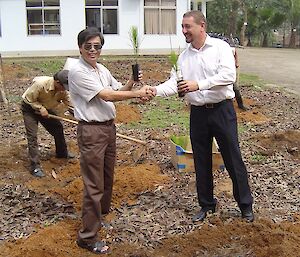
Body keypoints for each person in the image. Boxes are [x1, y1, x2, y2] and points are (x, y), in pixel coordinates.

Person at [151, 11, 254, 222]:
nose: (184, 31)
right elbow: (175, 83)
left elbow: (228, 76)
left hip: (222, 111)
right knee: (201, 160)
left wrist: (198, 84)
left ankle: (245, 205)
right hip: (197, 113)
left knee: (233, 158)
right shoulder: (184, 57)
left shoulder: (220, 48)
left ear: (201, 26)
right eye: (182, 27)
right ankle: (207, 205)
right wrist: (154, 90)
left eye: (187, 26)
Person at [68, 27, 154, 254]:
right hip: (92, 132)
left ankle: (99, 217)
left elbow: (117, 90)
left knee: (106, 177)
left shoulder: (101, 69)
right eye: (88, 46)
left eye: (97, 46)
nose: (93, 50)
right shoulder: (77, 71)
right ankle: (87, 236)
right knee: (94, 185)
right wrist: (137, 94)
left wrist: (132, 83)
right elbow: (105, 95)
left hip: (108, 130)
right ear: (80, 47)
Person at [21, 70, 75, 178]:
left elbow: (69, 102)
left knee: (58, 128)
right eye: (63, 86)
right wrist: (40, 108)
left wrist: (78, 115)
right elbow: (28, 99)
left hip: (45, 107)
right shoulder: (40, 84)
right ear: (57, 82)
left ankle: (62, 153)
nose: (64, 89)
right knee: (32, 136)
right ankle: (34, 166)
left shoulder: (62, 90)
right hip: (30, 108)